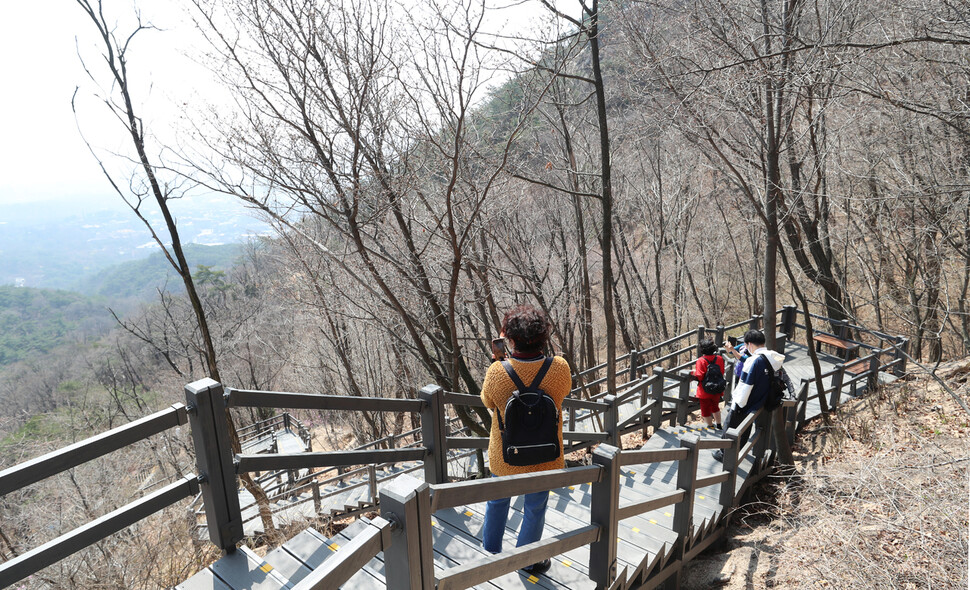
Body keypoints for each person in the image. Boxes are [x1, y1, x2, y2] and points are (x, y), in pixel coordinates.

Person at [480, 304, 572, 575]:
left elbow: (488, 402)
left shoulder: (497, 372)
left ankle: (490, 554)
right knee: (535, 507)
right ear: (544, 336)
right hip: (546, 456)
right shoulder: (559, 368)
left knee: (496, 500)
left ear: (508, 339)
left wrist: (498, 362)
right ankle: (527, 561)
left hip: (506, 457)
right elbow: (562, 394)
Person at [714, 329, 785, 462]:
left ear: (750, 344)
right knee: (746, 428)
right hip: (759, 401)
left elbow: (745, 386)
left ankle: (725, 455)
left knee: (730, 427)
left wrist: (737, 404)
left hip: (745, 401)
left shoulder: (753, 361)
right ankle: (738, 451)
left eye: (746, 345)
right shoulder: (773, 358)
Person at [689, 339, 725, 430]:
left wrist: (694, 372)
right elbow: (722, 372)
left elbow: (700, 376)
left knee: (705, 410)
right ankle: (719, 425)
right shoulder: (719, 358)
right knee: (715, 407)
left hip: (704, 390)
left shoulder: (701, 360)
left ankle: (711, 426)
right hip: (717, 387)